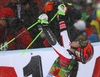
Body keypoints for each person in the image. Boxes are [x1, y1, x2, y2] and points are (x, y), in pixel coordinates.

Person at [38, 4, 94, 77]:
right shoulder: (70, 56)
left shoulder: (67, 57)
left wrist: (45, 26)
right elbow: (64, 34)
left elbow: (54, 43)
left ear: (78, 51)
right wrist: (61, 17)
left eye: (80, 44)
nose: (79, 41)